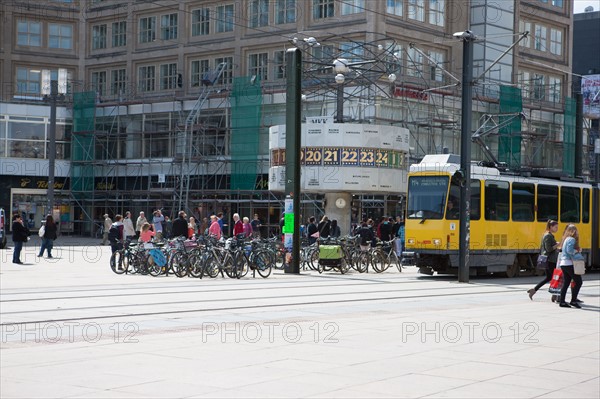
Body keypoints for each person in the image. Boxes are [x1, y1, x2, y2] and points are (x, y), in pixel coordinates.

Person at [527, 220, 560, 300]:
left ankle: (534, 290)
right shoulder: (548, 236)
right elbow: (548, 249)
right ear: (551, 227)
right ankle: (555, 295)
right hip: (550, 261)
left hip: (549, 260)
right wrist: (557, 245)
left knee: (549, 278)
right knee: (556, 278)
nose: (557, 229)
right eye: (555, 227)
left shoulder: (548, 235)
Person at [557, 224, 584, 308]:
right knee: (579, 282)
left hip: (564, 263)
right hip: (569, 263)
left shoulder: (565, 239)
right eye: (576, 230)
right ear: (574, 231)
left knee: (566, 283)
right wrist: (577, 250)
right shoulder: (571, 239)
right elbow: (569, 251)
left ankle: (562, 302)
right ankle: (573, 300)